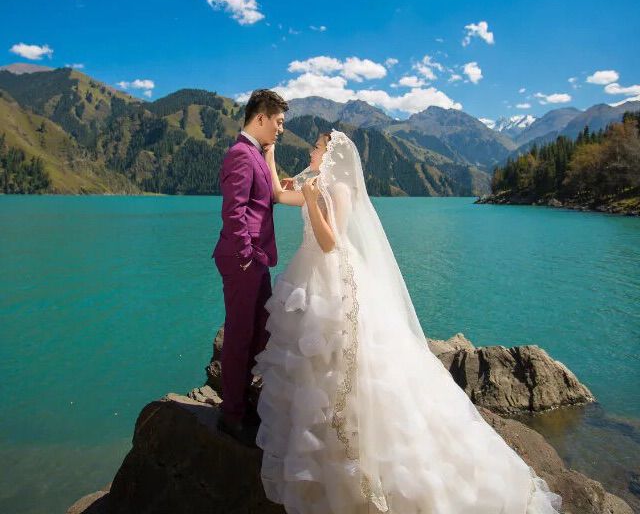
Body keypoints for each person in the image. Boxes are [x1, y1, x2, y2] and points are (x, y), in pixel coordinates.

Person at [251, 129, 564, 513]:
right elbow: (279, 194)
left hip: (333, 281)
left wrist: (314, 201)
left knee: (345, 363)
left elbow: (331, 243)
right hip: (310, 277)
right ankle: (315, 446)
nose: (311, 152)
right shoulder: (315, 184)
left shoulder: (340, 190)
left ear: (332, 155)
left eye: (316, 147)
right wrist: (270, 152)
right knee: (312, 363)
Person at [211, 88, 288, 447]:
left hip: (257, 259)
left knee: (259, 333)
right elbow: (234, 211)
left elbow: (264, 198)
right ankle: (232, 415)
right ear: (260, 118)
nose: (281, 129)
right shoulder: (241, 154)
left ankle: (242, 402)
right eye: (278, 122)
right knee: (240, 337)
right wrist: (245, 256)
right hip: (244, 259)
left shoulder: (255, 153)